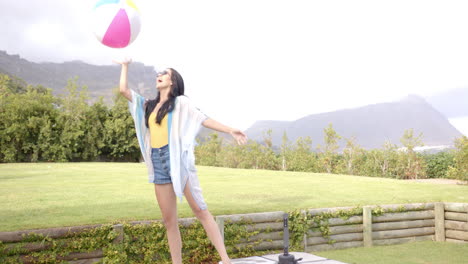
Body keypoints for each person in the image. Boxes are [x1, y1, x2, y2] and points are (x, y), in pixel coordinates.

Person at [115, 58, 247, 264]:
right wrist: (125, 66)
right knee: (169, 221)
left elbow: (203, 118)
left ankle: (226, 260)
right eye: (159, 73)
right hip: (157, 163)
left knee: (200, 210)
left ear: (173, 81)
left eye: (164, 73)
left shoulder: (181, 103)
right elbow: (123, 90)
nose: (159, 75)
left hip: (178, 161)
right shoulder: (148, 105)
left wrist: (230, 129)